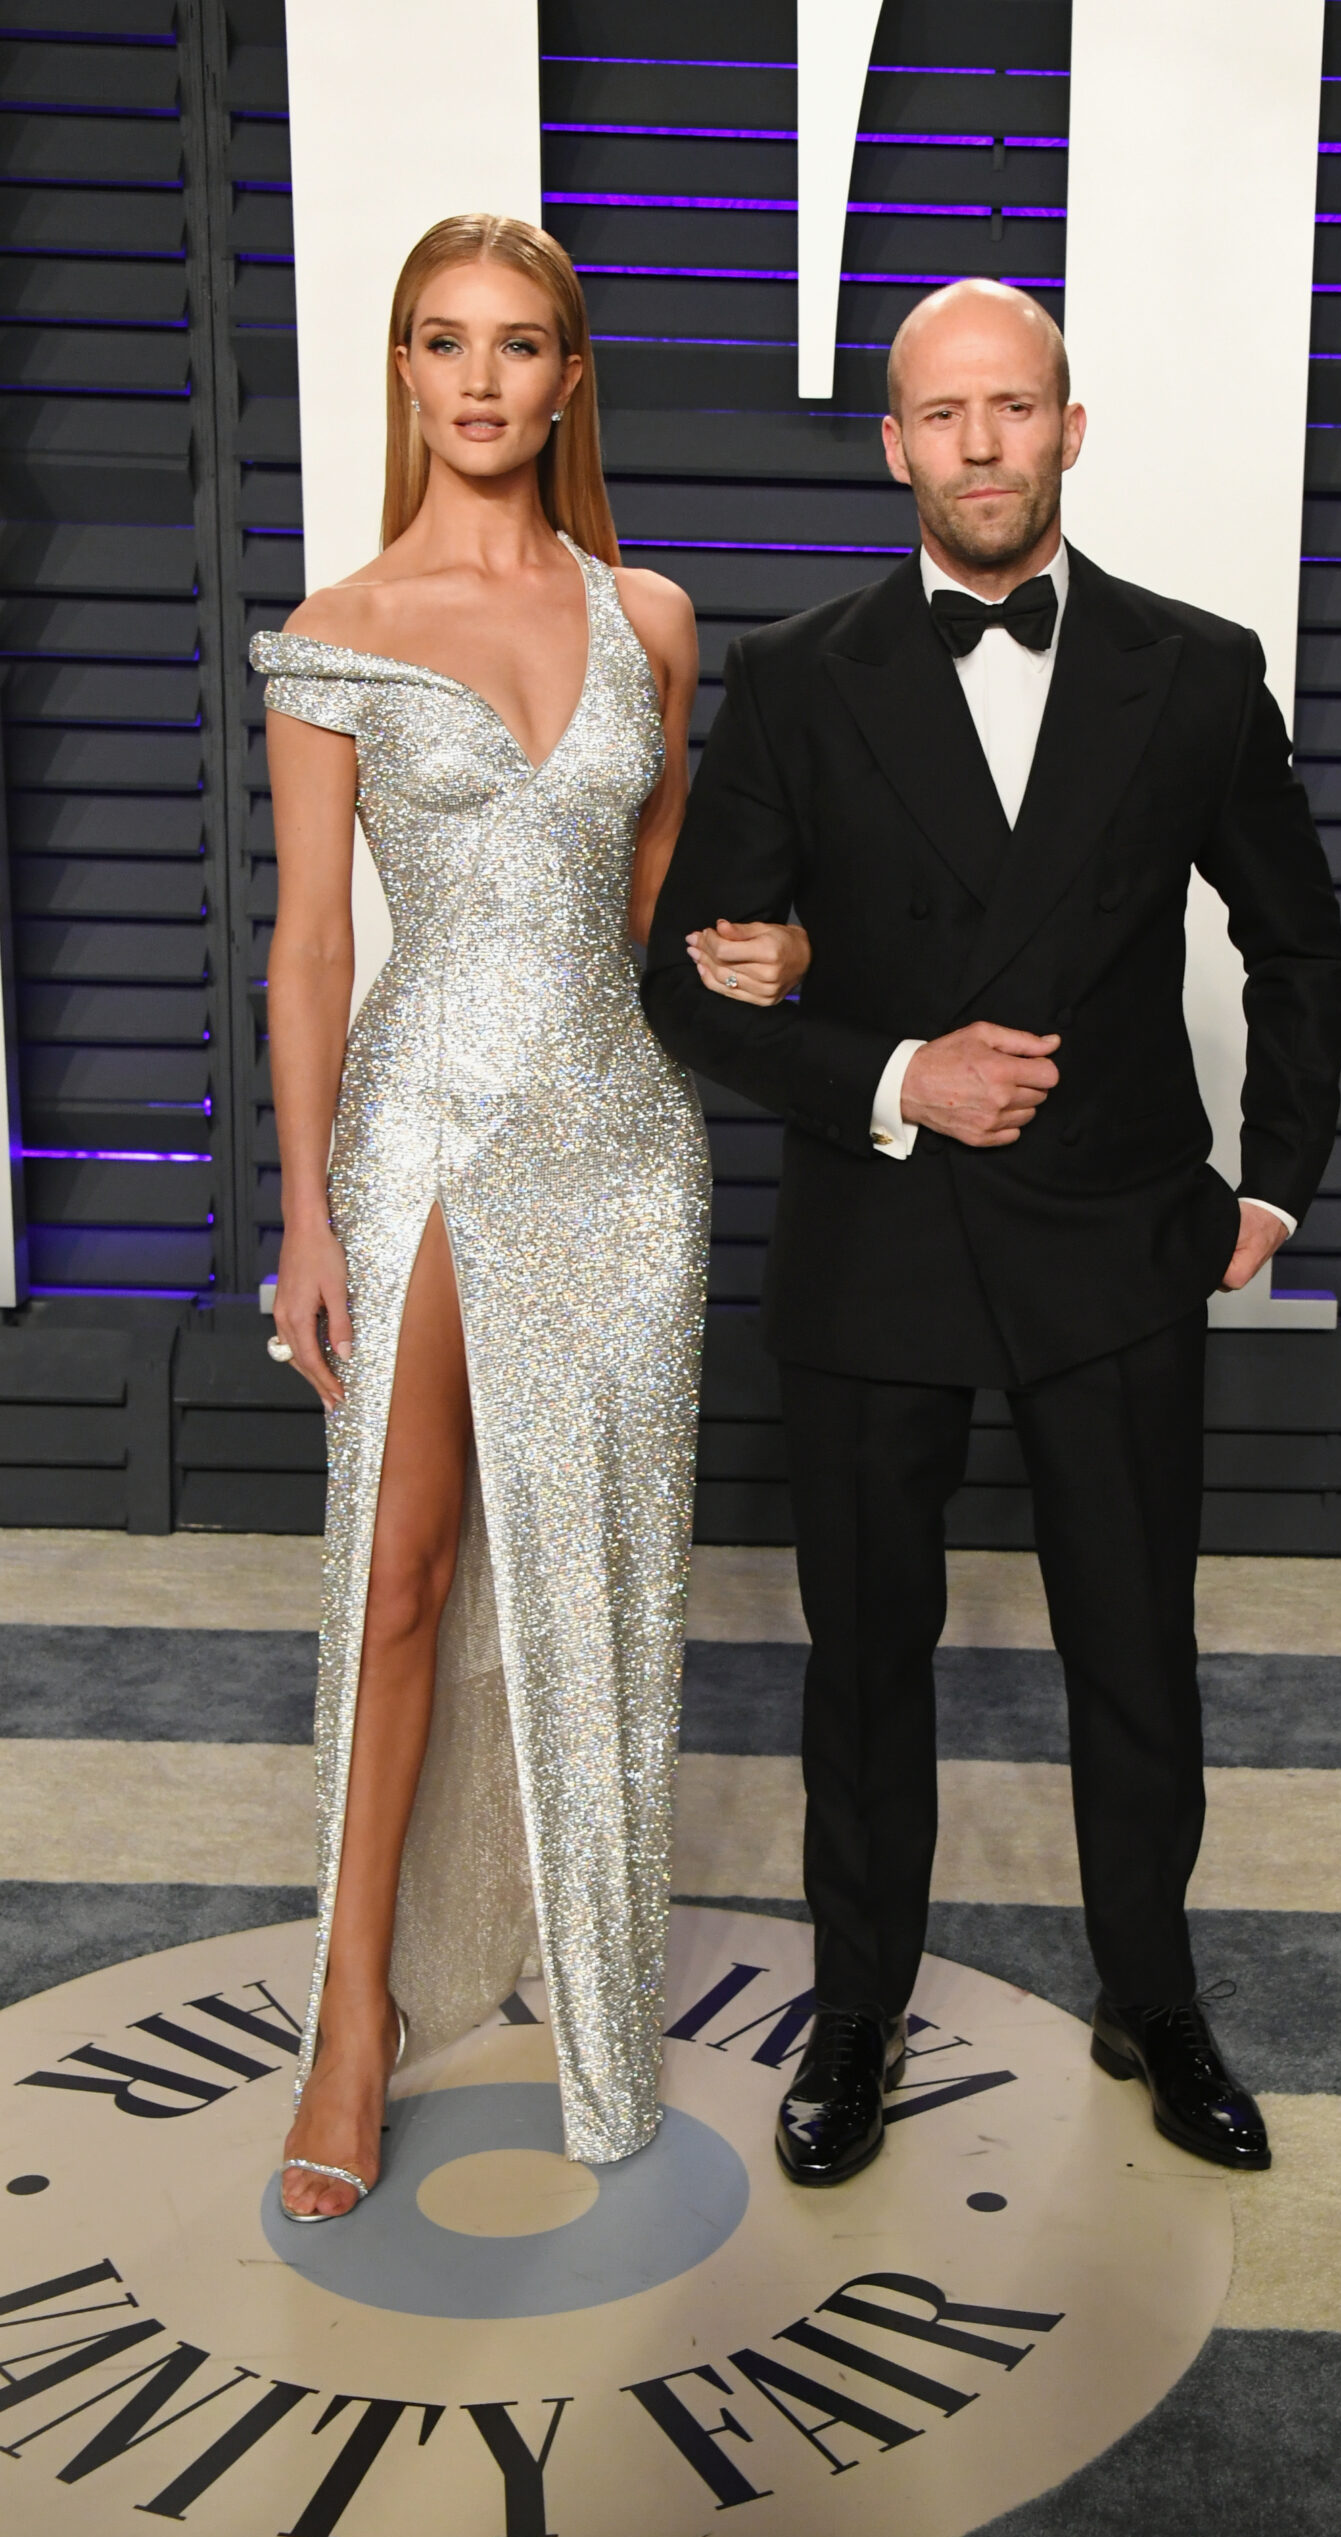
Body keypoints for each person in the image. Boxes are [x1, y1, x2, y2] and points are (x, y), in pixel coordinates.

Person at [645, 278, 1341, 2187]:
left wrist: (1273, 1184)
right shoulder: (799, 675)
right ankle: (857, 2013)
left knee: (1138, 1652)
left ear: (1069, 426)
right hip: (875, 1249)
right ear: (895, 443)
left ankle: (1153, 1992)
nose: (979, 442)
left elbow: (1297, 943)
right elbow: (690, 987)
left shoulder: (1197, 670)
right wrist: (890, 1073)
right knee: (862, 1666)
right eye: (943, 413)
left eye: (1013, 407)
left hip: (1117, 1242)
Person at [256, 214, 806, 2220]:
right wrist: (311, 1215)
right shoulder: (333, 632)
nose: (476, 379)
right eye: (437, 343)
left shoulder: (646, 618)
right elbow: (309, 952)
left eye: (515, 346)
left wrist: (775, 955)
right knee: (395, 1579)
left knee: (605, 1592)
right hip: (425, 1130)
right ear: (402, 375)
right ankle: (349, 2018)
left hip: (627, 1148)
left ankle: (593, 2007)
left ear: (570, 379)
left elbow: (660, 921)